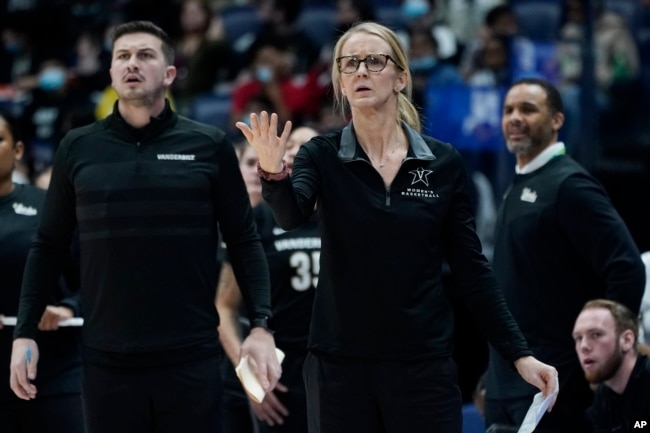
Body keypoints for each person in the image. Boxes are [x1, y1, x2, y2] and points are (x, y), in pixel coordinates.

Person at [235, 21, 559, 433]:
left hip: (423, 365)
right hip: (340, 367)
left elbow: (472, 270)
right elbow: (290, 216)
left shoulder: (442, 163)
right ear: (339, 79)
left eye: (374, 60)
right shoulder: (321, 153)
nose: (361, 71)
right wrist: (272, 174)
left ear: (401, 77)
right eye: (349, 63)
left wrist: (519, 353)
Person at [8, 20, 281, 433]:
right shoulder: (77, 147)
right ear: (112, 73)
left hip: (191, 358)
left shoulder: (207, 145)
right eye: (123, 56)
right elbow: (48, 246)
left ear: (169, 74)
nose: (132, 64)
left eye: (145, 55)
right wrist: (24, 331)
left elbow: (244, 242)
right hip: (106, 362)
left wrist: (260, 325)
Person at [485, 77, 646, 432]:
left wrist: (601, 359)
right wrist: (492, 375)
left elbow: (627, 268)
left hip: (554, 385)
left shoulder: (570, 185)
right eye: (508, 110)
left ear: (557, 120)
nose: (514, 117)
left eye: (528, 109)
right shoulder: (520, 184)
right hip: (508, 383)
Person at [218, 126, 320, 433]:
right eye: (290, 145)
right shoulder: (260, 218)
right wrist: (252, 380)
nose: (294, 150)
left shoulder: (341, 217)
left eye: (306, 145)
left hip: (333, 364)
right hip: (279, 367)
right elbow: (224, 308)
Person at [0, 113, 84, 433]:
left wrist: (68, 307)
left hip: (55, 371)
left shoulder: (49, 206)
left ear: (18, 150)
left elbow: (93, 278)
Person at [572, 299, 650, 431]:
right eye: (578, 338)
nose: (583, 346)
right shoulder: (603, 400)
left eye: (596, 334)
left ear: (627, 340)